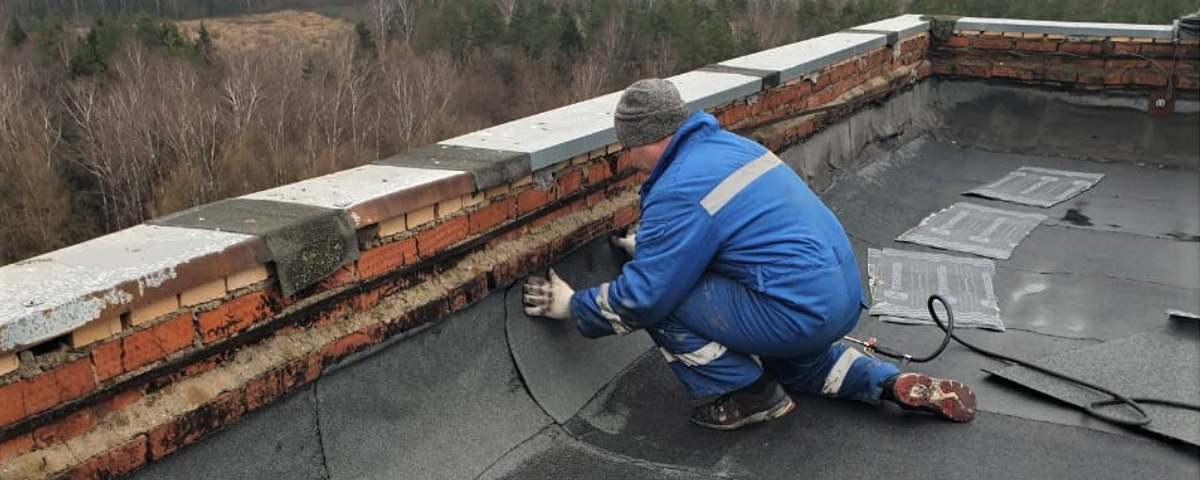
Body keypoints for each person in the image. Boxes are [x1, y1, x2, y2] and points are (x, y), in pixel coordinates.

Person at [522, 78, 976, 430]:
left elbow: (646, 297)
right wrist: (651, 246)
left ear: (641, 140)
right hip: (837, 296)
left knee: (663, 304)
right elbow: (731, 232)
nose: (628, 159)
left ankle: (753, 395)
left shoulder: (678, 186)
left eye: (627, 148)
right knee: (804, 365)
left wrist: (573, 306)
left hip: (796, 310)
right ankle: (887, 384)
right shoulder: (730, 147)